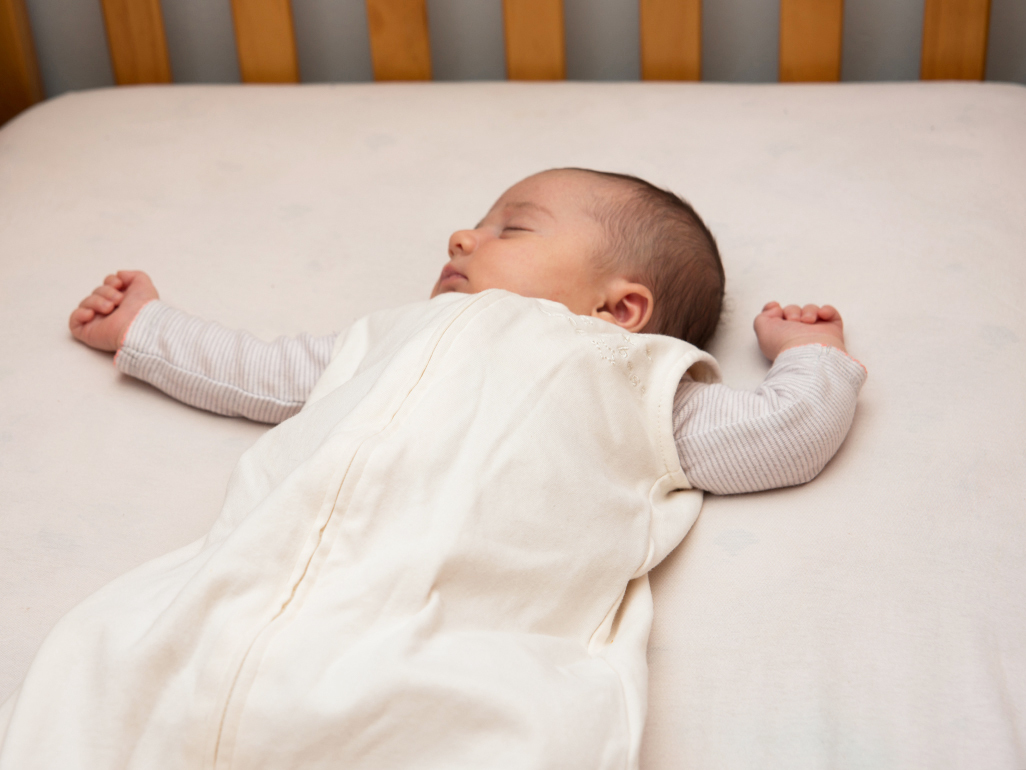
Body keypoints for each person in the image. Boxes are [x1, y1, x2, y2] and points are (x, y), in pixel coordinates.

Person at [0, 169, 865, 769]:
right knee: (115, 659)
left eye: (511, 227)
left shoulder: (636, 381)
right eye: (478, 221)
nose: (463, 234)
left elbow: (776, 435)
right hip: (257, 585)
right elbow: (257, 372)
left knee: (468, 725)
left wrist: (812, 358)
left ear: (622, 306)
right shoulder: (385, 337)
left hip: (457, 626)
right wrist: (147, 331)